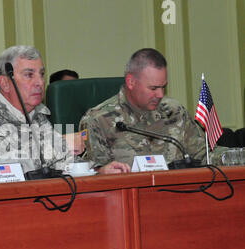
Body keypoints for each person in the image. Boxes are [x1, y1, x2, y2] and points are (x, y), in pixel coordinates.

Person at [0, 45, 129, 180]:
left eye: (41, 74)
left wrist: (97, 170)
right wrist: (58, 145)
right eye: (29, 75)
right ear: (5, 83)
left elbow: (62, 161)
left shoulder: (36, 112)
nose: (39, 82)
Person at [79, 48, 227, 168]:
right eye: (153, 88)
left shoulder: (174, 111)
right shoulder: (99, 120)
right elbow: (92, 173)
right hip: (129, 200)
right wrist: (102, 171)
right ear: (131, 82)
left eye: (164, 87)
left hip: (181, 196)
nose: (160, 94)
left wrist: (233, 156)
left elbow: (204, 154)